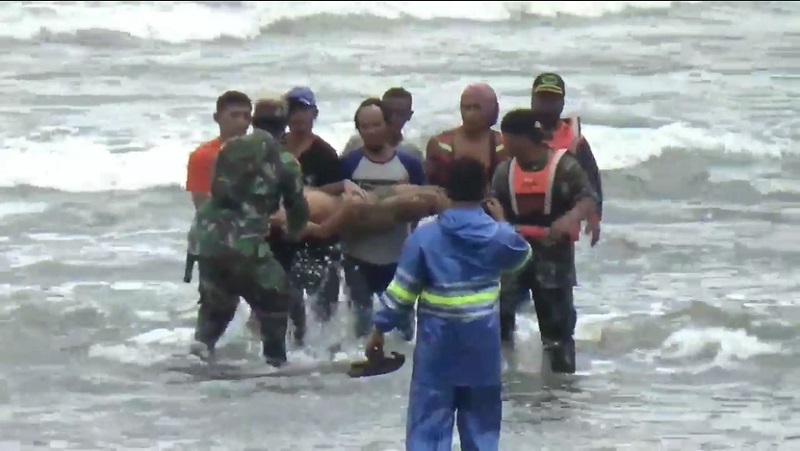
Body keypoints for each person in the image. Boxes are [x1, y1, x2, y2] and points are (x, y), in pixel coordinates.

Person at [364, 157, 532, 451]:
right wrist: (503, 220)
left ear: (443, 192)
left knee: (428, 429)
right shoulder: (496, 235)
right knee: (481, 429)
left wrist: (379, 329)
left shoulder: (425, 236)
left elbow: (401, 294)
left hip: (437, 351)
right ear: (485, 191)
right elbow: (521, 254)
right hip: (482, 349)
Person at [188, 130, 309, 368]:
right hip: (243, 241)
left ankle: (198, 354)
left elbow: (218, 190)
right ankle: (276, 362)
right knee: (277, 296)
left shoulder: (231, 150)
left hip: (205, 237)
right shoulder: (284, 162)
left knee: (218, 305)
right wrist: (294, 232)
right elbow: (297, 207)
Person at [492, 108, 598, 374]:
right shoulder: (504, 171)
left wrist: (571, 218)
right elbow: (493, 204)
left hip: (554, 258)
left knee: (557, 330)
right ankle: (505, 379)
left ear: (522, 139)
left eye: (507, 138)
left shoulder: (565, 166)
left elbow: (587, 198)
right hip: (513, 256)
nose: (503, 144)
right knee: (499, 319)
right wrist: (501, 221)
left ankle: (560, 391)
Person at [340, 98, 426, 338]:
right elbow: (339, 206)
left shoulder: (409, 163)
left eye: (376, 125)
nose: (371, 131)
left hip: (398, 256)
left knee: (404, 326)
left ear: (388, 125)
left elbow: (424, 202)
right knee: (361, 321)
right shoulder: (349, 163)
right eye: (364, 127)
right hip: (358, 255)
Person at [266, 86, 345, 343]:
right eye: (293, 110)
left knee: (322, 309)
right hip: (276, 240)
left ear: (315, 113)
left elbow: (334, 200)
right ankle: (284, 355)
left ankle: (318, 358)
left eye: (304, 110)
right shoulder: (273, 147)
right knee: (279, 305)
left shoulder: (325, 154)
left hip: (315, 241)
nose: (298, 116)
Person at [184, 90, 251, 281]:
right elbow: (204, 207)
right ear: (217, 118)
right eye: (235, 115)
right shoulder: (204, 156)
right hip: (218, 244)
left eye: (246, 116)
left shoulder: (259, 152)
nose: (242, 122)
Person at [531, 72, 603, 246]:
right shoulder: (519, 134)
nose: (547, 104)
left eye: (553, 99)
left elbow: (592, 180)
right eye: (542, 98)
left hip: (562, 228)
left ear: (562, 102)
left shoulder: (576, 141)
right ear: (532, 100)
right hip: (522, 226)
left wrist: (595, 217)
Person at [425, 83, 507, 188]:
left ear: (493, 109)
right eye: (466, 107)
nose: (470, 114)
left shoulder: (503, 145)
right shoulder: (439, 144)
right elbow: (428, 185)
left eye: (477, 108)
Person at [342, 87, 423, 160]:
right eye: (389, 112)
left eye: (400, 113)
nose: (393, 118)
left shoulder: (412, 153)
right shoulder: (356, 144)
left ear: (409, 115)